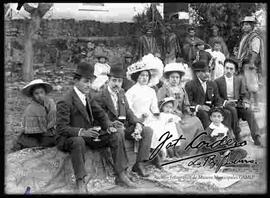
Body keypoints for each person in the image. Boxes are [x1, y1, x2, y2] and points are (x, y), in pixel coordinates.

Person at [56, 62, 136, 192]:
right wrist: (82, 132)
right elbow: (61, 128)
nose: (89, 85)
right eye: (86, 81)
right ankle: (80, 181)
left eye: (90, 82)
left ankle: (120, 174)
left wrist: (109, 125)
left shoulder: (88, 96)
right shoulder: (65, 101)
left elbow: (100, 113)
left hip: (89, 134)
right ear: (76, 80)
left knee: (117, 133)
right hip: (69, 138)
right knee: (78, 140)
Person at [94, 64, 153, 177]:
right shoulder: (100, 96)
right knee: (119, 131)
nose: (117, 84)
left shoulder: (121, 94)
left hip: (122, 128)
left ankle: (139, 164)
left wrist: (137, 123)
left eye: (119, 81)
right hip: (107, 129)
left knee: (147, 130)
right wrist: (113, 125)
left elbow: (128, 111)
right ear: (108, 80)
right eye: (114, 80)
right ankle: (122, 171)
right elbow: (100, 118)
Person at [157, 62, 204, 155]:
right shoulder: (163, 89)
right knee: (176, 126)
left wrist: (188, 111)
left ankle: (195, 148)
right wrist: (169, 113)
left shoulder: (182, 89)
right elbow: (160, 104)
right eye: (172, 77)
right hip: (169, 114)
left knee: (196, 121)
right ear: (168, 78)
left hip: (182, 114)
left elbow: (186, 104)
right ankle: (178, 150)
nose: (175, 79)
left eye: (177, 77)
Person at [125, 60, 164, 169]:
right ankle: (144, 161)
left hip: (149, 117)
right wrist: (138, 119)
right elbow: (129, 108)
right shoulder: (131, 91)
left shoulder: (151, 91)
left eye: (147, 76)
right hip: (137, 118)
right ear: (137, 76)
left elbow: (154, 107)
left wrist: (157, 114)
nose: (145, 78)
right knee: (150, 130)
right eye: (142, 75)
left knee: (159, 127)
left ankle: (155, 155)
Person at [215, 57, 262, 146]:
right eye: (227, 68)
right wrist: (225, 102)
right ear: (224, 68)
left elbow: (244, 94)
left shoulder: (238, 80)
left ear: (235, 70)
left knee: (249, 112)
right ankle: (237, 134)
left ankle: (257, 137)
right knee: (232, 110)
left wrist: (246, 102)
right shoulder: (218, 81)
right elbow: (217, 97)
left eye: (231, 69)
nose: (228, 71)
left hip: (238, 104)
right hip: (226, 106)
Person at [11, 79, 57, 152]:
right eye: (36, 93)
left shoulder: (51, 103)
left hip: (50, 131)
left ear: (45, 93)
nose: (40, 95)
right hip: (35, 135)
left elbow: (54, 118)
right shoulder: (30, 109)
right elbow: (31, 131)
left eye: (42, 92)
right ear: (33, 95)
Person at [185, 61, 232, 130]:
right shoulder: (190, 85)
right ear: (197, 73)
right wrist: (200, 107)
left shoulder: (212, 84)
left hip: (211, 109)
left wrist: (218, 107)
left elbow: (217, 98)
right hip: (198, 111)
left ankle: (226, 134)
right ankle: (209, 137)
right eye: (204, 72)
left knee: (227, 113)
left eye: (208, 71)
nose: (207, 74)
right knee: (204, 114)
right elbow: (189, 102)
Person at [237, 16, 265, 111]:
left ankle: (256, 105)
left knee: (252, 85)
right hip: (244, 63)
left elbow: (255, 51)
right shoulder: (245, 37)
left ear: (251, 26)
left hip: (249, 63)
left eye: (247, 25)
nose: (244, 26)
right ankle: (248, 104)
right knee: (245, 85)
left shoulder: (254, 37)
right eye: (244, 24)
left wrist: (252, 63)